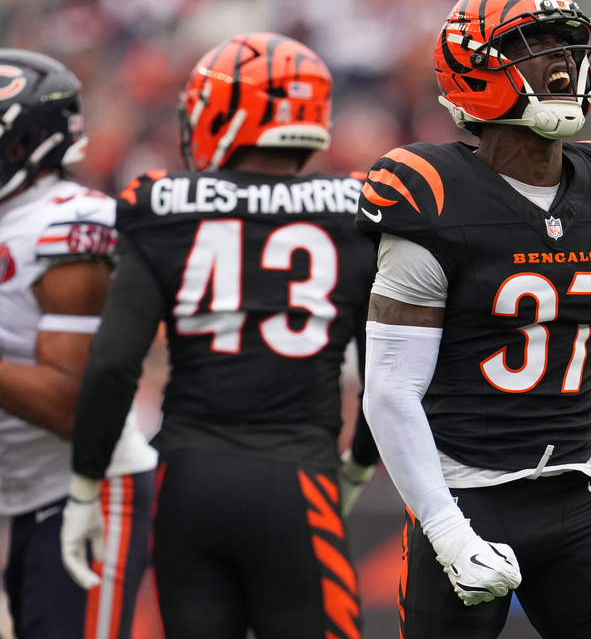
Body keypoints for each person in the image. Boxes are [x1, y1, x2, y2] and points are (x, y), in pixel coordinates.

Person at [354, 0, 591, 639]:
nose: (560, 59)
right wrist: (448, 531)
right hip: (468, 495)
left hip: (578, 495)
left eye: (567, 42)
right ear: (473, 68)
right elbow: (390, 390)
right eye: (532, 42)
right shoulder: (432, 194)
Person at [58, 32, 379, 639]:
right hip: (297, 478)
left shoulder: (161, 203)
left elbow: (113, 363)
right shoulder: (357, 208)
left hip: (187, 479)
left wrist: (85, 484)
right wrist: (358, 466)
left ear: (227, 111)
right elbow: (386, 377)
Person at [0, 49, 157, 639]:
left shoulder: (67, 223)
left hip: (88, 489)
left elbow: (72, 405)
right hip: (26, 491)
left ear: (25, 142)